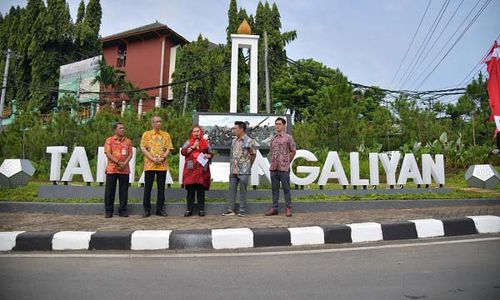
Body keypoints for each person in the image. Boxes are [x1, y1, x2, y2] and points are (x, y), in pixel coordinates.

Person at [140, 115, 174, 217]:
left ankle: (160, 209)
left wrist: (163, 158)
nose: (159, 123)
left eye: (160, 121)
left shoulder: (166, 135)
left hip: (162, 165)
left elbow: (169, 148)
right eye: (157, 121)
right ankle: (147, 210)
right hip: (150, 164)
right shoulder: (146, 134)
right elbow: (143, 148)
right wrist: (151, 158)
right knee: (148, 188)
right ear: (152, 123)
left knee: (161, 188)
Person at [222, 121, 256, 217]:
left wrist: (248, 165)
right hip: (233, 170)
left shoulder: (249, 141)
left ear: (241, 129)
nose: (234, 130)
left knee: (243, 190)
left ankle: (242, 210)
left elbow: (253, 154)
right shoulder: (234, 141)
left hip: (244, 170)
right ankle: (230, 209)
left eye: (235, 128)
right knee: (232, 190)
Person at [265, 117, 296, 217]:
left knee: (286, 189)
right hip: (274, 168)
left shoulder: (288, 138)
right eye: (276, 124)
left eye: (279, 124)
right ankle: (274, 208)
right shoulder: (273, 138)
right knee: (274, 190)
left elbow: (293, 151)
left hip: (284, 168)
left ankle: (288, 208)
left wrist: (287, 162)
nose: (277, 126)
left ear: (284, 125)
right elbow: (271, 152)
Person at [180, 125, 213, 217]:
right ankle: (189, 210)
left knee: (200, 191)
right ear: (192, 133)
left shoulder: (206, 143)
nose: (196, 133)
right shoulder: (188, 142)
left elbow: (211, 153)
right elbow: (183, 152)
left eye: (198, 131)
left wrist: (208, 156)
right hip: (190, 170)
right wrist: (193, 147)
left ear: (201, 132)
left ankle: (201, 209)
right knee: (190, 191)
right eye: (194, 131)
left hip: (202, 170)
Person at [103, 122, 133, 218]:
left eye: (123, 128)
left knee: (124, 191)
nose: (123, 130)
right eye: (120, 128)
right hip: (112, 169)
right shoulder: (109, 140)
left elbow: (130, 154)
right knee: (110, 191)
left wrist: (125, 163)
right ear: (115, 130)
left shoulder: (127, 141)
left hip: (124, 169)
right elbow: (108, 153)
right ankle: (109, 210)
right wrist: (118, 162)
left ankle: (123, 210)